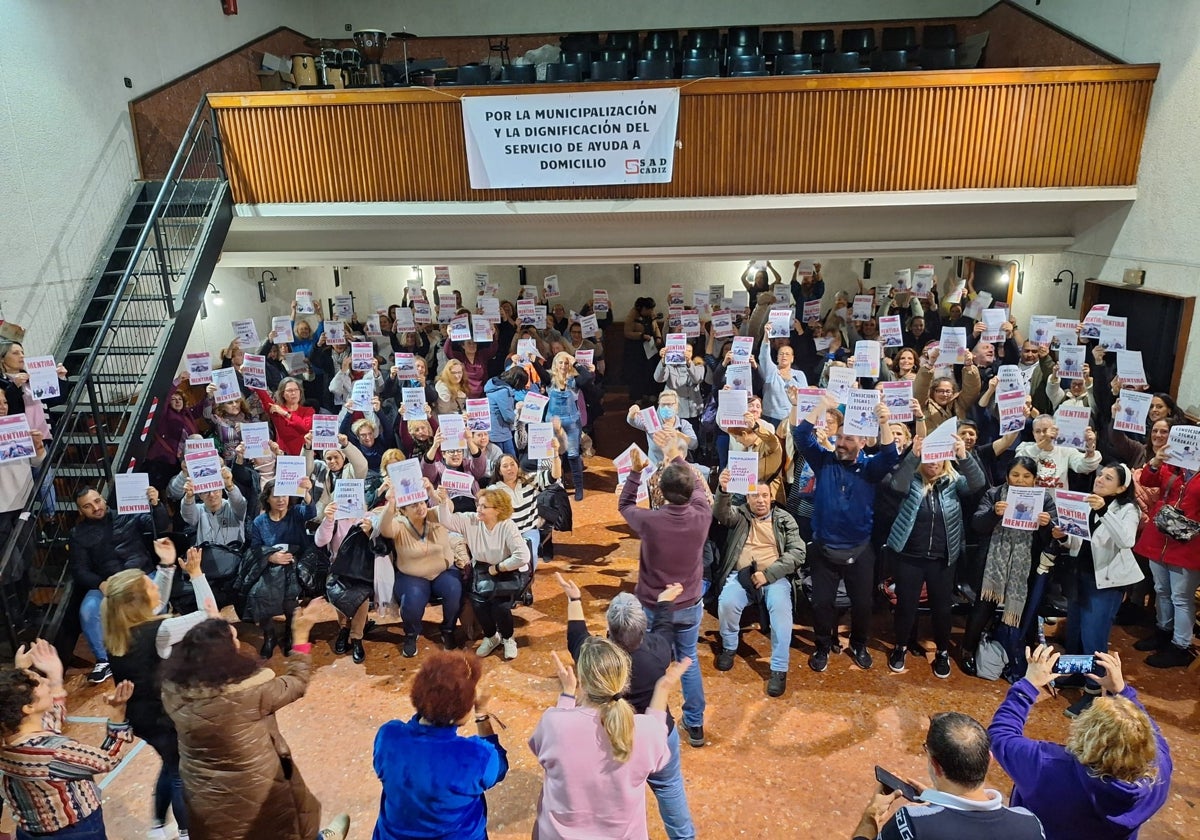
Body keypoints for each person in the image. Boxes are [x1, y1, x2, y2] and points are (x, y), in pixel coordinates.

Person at [161, 607, 350, 840]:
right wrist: (300, 639)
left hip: (204, 792)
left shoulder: (171, 691)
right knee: (280, 830)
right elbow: (296, 682)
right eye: (234, 640)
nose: (238, 643)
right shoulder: (251, 691)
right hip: (257, 789)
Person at [557, 574, 695, 840]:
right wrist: (664, 602)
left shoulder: (595, 656)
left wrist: (574, 598)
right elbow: (665, 627)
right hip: (656, 737)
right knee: (669, 786)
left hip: (609, 740)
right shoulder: (658, 650)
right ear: (643, 629)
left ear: (609, 629)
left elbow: (576, 636)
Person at [989, 646, 1171, 840]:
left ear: (1086, 734)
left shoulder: (1048, 766)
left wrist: (1029, 685)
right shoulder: (1160, 770)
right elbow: (1151, 731)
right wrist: (1121, 691)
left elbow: (1000, 734)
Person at [102, 544, 218, 840]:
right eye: (149, 583)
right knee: (181, 774)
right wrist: (196, 574)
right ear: (139, 599)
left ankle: (156, 825)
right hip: (165, 717)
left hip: (141, 718)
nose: (155, 584)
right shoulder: (162, 631)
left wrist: (167, 567)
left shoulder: (118, 629)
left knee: (169, 765)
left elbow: (154, 605)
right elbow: (211, 616)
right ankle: (185, 832)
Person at [529, 639, 688, 840]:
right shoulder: (646, 732)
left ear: (583, 682)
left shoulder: (553, 723)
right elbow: (657, 732)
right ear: (623, 681)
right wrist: (663, 688)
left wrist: (567, 694)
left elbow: (543, 745)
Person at [797, 394, 897, 672]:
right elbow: (801, 434)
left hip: (860, 548)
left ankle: (859, 644)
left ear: (863, 442)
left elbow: (890, 455)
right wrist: (822, 405)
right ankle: (822, 645)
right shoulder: (824, 461)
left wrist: (885, 422)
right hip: (824, 548)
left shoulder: (870, 468)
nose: (841, 443)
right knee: (821, 604)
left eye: (849, 439)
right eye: (839, 437)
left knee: (863, 605)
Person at [618, 447, 711, 747]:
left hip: (652, 605)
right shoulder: (702, 514)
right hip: (689, 604)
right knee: (688, 660)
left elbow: (625, 504)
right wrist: (678, 457)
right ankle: (695, 724)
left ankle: (643, 716)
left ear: (660, 489)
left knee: (645, 658)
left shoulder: (650, 521)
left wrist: (635, 472)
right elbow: (697, 486)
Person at [0, 640, 136, 840]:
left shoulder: (9, 738)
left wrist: (46, 676)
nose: (44, 682)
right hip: (75, 831)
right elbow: (107, 759)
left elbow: (48, 721)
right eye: (39, 683)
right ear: (27, 708)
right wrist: (118, 714)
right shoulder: (52, 753)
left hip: (30, 831)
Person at [371, 651, 507, 840]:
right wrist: (481, 713)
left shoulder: (388, 736)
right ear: (458, 713)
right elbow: (499, 769)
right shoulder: (477, 756)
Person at [884, 434, 986, 678]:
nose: (934, 462)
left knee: (942, 609)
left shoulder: (953, 483)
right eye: (930, 457)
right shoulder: (912, 481)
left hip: (942, 558)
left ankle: (941, 651)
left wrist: (965, 456)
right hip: (910, 556)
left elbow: (978, 482)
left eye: (939, 457)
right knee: (906, 607)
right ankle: (900, 647)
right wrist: (913, 456)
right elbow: (896, 484)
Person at [851, 711, 1044, 840]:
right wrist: (937, 803)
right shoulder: (1030, 825)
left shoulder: (913, 824)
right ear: (989, 760)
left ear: (935, 765)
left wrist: (870, 818)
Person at [1049, 462, 1142, 717]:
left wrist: (1103, 512)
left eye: (1108, 478)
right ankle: (1079, 675)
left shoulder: (1127, 509)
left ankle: (1094, 693)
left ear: (1121, 487)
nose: (1100, 479)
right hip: (1082, 575)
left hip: (1106, 583)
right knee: (1076, 631)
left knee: (1094, 639)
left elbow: (1126, 540)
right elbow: (1078, 541)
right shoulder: (1088, 503)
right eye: (1100, 474)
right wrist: (1063, 537)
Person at [711, 475, 805, 697]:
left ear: (772, 498)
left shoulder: (785, 519)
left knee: (781, 614)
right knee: (727, 603)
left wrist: (769, 574)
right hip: (741, 575)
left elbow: (798, 553)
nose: (760, 500)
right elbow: (721, 513)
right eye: (755, 495)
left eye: (765, 495)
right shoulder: (740, 515)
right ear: (747, 497)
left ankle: (779, 669)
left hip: (774, 577)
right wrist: (723, 491)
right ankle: (729, 646)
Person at [961, 456, 1054, 677]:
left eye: (1026, 476)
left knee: (1025, 614)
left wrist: (1047, 525)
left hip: (1027, 568)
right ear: (1007, 476)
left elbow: (1054, 535)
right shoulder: (994, 494)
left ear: (1034, 479)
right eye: (1015, 475)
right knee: (982, 609)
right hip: (992, 566)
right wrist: (994, 513)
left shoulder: (1044, 500)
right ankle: (967, 651)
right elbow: (977, 525)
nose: (1020, 480)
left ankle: (1019, 658)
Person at [68, 483, 169, 684]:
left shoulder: (127, 512)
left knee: (157, 600)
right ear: (81, 510)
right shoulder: (78, 534)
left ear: (104, 499)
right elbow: (80, 570)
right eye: (88, 506)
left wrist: (156, 504)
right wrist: (100, 584)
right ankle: (104, 660)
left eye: (97, 501)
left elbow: (160, 525)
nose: (95, 507)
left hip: (139, 573)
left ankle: (158, 648)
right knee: (88, 610)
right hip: (109, 583)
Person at [435, 486, 530, 661]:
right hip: (482, 569)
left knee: (500, 607)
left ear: (498, 510)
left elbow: (523, 555)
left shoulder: (507, 526)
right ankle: (491, 636)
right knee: (479, 605)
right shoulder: (471, 520)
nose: (478, 509)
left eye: (484, 507)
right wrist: (442, 501)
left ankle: (508, 638)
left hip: (505, 569)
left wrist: (500, 567)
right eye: (478, 505)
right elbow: (446, 521)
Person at [1131, 439, 1200, 668]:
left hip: (1189, 543)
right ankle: (1163, 632)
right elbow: (1148, 480)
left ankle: (1181, 646)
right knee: (1161, 590)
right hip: (1160, 535)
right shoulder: (1174, 465)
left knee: (1181, 597)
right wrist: (1157, 460)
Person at [377, 479, 462, 658]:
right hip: (411, 575)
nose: (420, 507)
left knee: (454, 589)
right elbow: (383, 528)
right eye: (414, 505)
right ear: (403, 510)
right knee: (412, 601)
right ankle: (411, 633)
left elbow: (449, 508)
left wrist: (432, 493)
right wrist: (391, 502)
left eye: (422, 502)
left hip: (443, 571)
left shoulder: (434, 515)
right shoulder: (399, 524)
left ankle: (448, 629)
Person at [244, 477, 315, 658]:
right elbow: (255, 548)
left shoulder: (296, 513)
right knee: (258, 593)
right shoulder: (260, 522)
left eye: (283, 495)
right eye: (275, 496)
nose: (280, 500)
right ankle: (269, 635)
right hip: (270, 564)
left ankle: (291, 633)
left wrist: (307, 492)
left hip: (295, 561)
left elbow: (311, 511)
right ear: (267, 499)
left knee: (289, 593)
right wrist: (271, 557)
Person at [1016, 416, 1101, 488]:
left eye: (1046, 430)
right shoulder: (1025, 447)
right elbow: (1019, 463)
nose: (1042, 434)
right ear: (1033, 433)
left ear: (1056, 431)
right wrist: (1045, 442)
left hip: (1057, 504)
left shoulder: (1066, 450)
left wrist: (1090, 448)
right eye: (1037, 431)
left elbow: (1085, 466)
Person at [623, 298, 662, 407]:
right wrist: (641, 336)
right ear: (643, 308)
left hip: (650, 347)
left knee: (650, 370)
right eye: (649, 309)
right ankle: (637, 396)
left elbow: (656, 327)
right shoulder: (632, 316)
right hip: (636, 348)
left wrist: (658, 337)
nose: (651, 311)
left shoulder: (651, 315)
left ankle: (650, 393)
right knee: (637, 373)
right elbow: (627, 333)